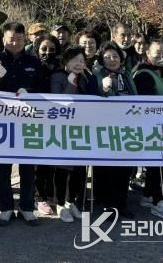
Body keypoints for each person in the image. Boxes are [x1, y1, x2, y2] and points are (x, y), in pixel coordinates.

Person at [0, 22, 44, 227]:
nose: (15, 42)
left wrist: (30, 92)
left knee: (27, 168)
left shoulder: (34, 61)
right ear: (3, 39)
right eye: (11, 39)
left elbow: (43, 87)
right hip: (2, 123)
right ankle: (6, 208)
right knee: (3, 168)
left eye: (19, 39)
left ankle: (27, 208)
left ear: (24, 39)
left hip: (28, 122)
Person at [133, 39, 163, 220]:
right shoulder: (143, 74)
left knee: (157, 165)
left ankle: (148, 195)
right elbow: (147, 104)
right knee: (161, 166)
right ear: (147, 54)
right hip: (154, 127)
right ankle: (159, 202)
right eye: (157, 53)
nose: (162, 56)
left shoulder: (162, 72)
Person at [50, 46, 95, 222]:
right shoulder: (58, 76)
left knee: (79, 169)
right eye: (75, 60)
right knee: (62, 169)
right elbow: (58, 102)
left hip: (81, 129)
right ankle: (60, 204)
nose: (78, 64)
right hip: (63, 129)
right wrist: (70, 83)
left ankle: (71, 202)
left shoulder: (85, 77)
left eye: (82, 61)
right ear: (65, 61)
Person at [92, 42, 136, 218]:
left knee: (124, 168)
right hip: (106, 127)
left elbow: (136, 96)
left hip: (127, 126)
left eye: (115, 56)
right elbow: (91, 97)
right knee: (108, 168)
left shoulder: (126, 74)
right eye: (107, 57)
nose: (112, 60)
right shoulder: (97, 74)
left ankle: (122, 203)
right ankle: (109, 205)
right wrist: (102, 89)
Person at [33, 33, 61, 215]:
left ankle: (51, 194)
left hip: (57, 118)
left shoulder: (61, 67)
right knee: (38, 163)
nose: (47, 52)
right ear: (37, 50)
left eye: (52, 49)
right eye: (44, 49)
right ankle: (39, 197)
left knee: (53, 160)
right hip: (36, 118)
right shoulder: (33, 66)